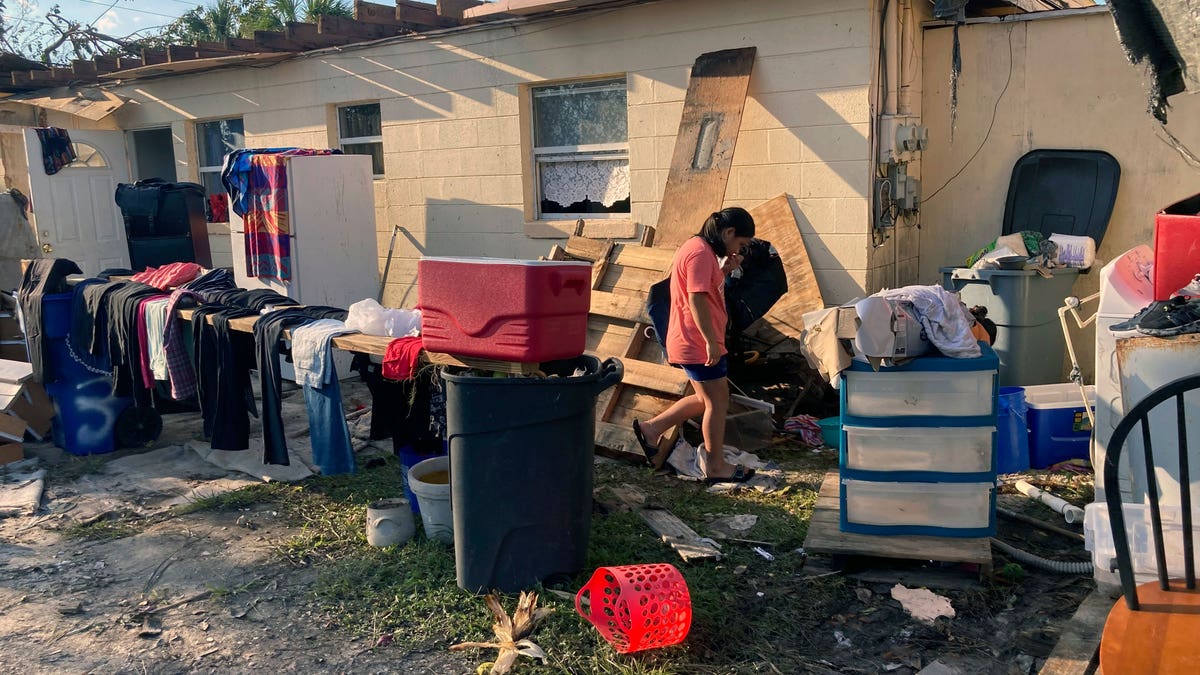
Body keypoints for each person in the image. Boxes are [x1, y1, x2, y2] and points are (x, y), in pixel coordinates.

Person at [633, 207, 757, 483]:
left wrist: (723, 271)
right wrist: (711, 342)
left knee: (706, 399)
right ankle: (715, 467)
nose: (741, 249)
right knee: (717, 402)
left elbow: (706, 291)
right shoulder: (700, 253)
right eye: (741, 244)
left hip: (693, 341)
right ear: (728, 233)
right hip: (697, 342)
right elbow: (696, 299)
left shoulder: (699, 249)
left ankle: (652, 429)